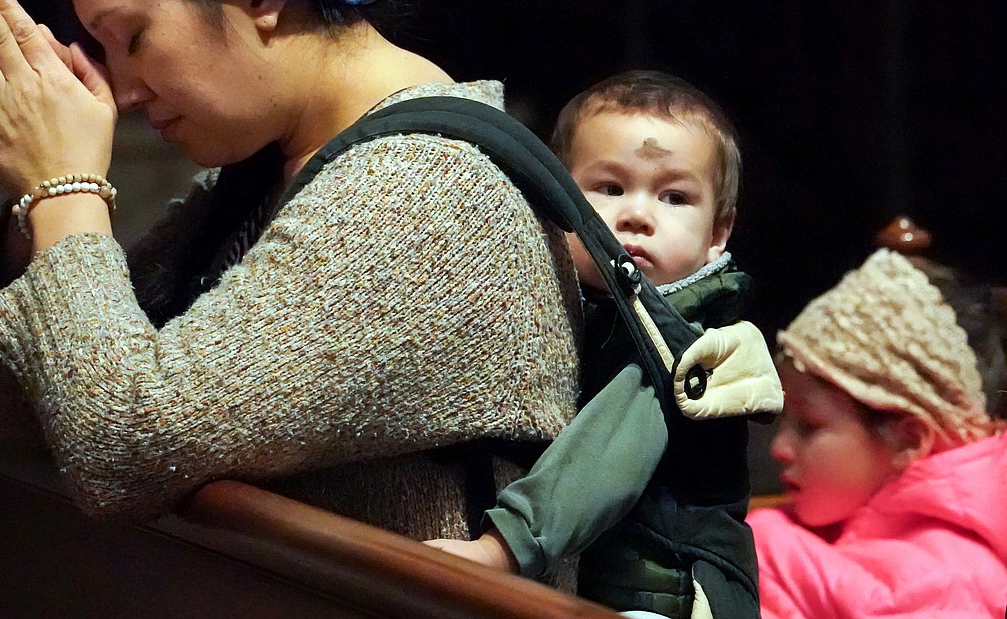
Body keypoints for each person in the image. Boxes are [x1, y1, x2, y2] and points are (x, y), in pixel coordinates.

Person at [0, 0, 583, 542]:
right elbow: (18, 413)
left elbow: (119, 448)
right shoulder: (266, 173)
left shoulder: (427, 192)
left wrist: (63, 187)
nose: (122, 88)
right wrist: (36, 204)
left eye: (132, 36)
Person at [428, 70, 776, 618]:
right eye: (610, 188)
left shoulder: (687, 342)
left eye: (675, 197)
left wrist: (502, 548)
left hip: (673, 593)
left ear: (718, 234)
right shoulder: (572, 305)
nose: (637, 214)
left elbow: (605, 455)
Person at [747, 248, 1007, 618]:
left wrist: (766, 545)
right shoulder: (840, 527)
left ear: (910, 439)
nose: (779, 447)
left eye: (809, 426)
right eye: (783, 420)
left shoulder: (950, 585)